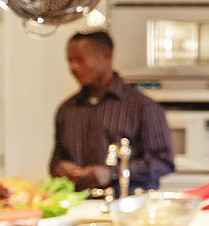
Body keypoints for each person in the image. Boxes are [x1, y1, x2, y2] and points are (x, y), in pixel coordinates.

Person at [49, 29, 175, 192]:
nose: (73, 67)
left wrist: (113, 173)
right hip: (79, 207)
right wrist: (60, 168)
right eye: (70, 61)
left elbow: (163, 163)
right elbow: (55, 161)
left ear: (107, 56)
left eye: (80, 60)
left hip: (129, 207)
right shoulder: (66, 109)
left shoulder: (143, 106)